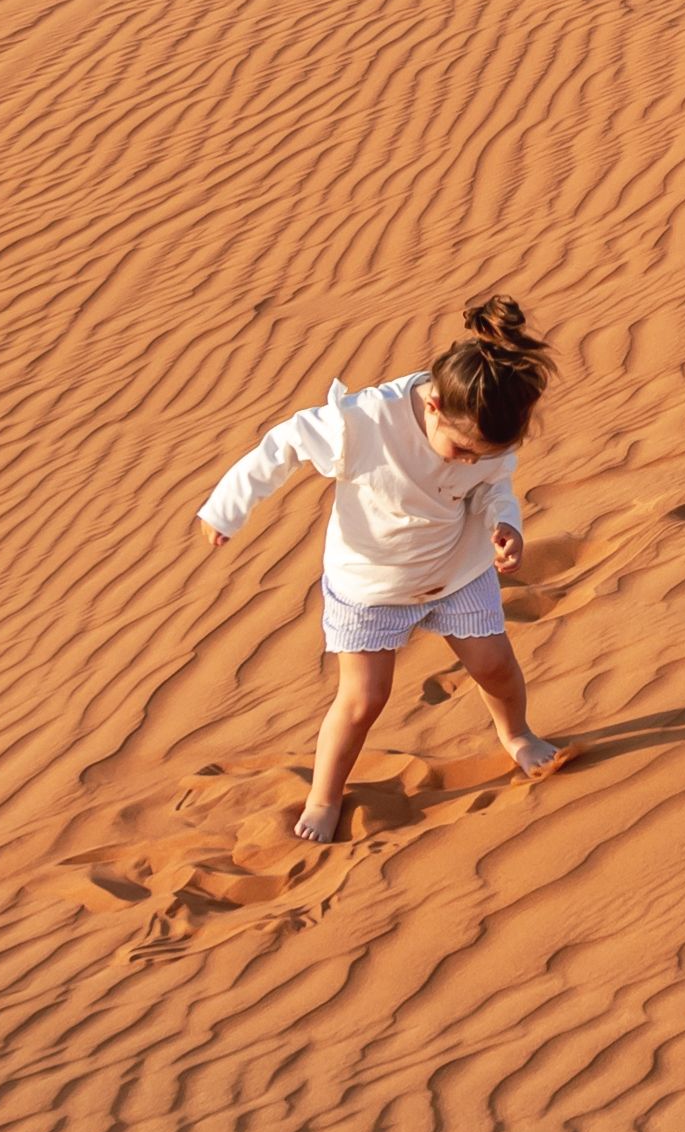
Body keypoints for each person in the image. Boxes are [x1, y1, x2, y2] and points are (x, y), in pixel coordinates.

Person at [197, 296, 565, 840]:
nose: (469, 462)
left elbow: (493, 486)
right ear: (435, 406)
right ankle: (324, 799)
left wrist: (504, 524)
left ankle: (518, 736)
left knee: (495, 665)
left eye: (481, 455)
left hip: (456, 568)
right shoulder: (363, 422)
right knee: (364, 698)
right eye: (462, 450)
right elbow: (284, 445)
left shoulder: (486, 431)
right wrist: (229, 506)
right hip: (372, 583)